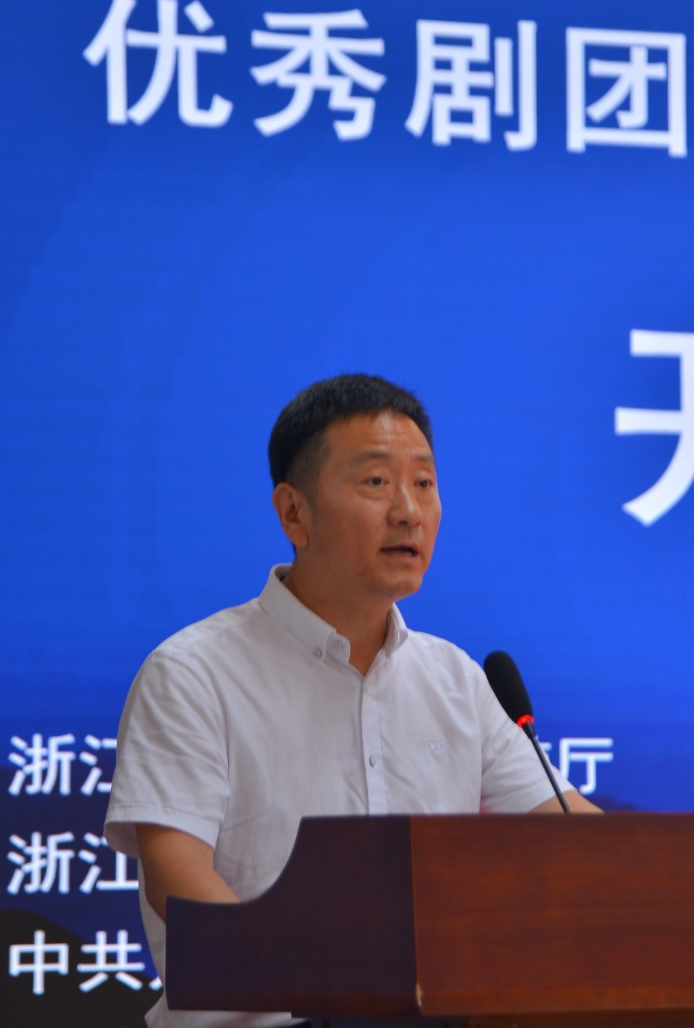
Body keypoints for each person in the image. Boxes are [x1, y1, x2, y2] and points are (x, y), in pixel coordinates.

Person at [104, 374, 599, 1028]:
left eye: (424, 483)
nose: (409, 511)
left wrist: (683, 887)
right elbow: (175, 876)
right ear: (294, 513)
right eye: (376, 482)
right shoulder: (194, 673)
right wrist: (328, 982)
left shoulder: (455, 680)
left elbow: (574, 835)